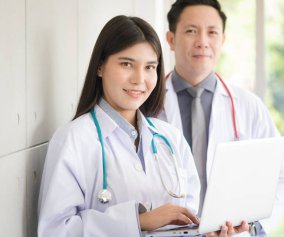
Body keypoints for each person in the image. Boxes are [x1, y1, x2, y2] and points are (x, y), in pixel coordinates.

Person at [37, 15, 201, 237]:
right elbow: (56, 231)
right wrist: (139, 221)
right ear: (100, 67)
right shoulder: (73, 140)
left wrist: (212, 231)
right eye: (126, 64)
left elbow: (188, 224)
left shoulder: (171, 139)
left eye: (150, 67)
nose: (139, 79)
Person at [159, 0, 284, 236]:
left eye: (212, 32)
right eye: (191, 30)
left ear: (222, 40)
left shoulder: (247, 105)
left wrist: (254, 227)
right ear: (171, 39)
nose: (203, 41)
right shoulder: (146, 105)